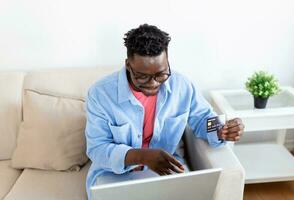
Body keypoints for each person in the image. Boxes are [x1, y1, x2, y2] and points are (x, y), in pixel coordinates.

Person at [85, 24, 244, 199]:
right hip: (114, 175)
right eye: (142, 76)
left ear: (167, 62)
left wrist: (222, 128)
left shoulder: (182, 86)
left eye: (161, 74)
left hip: (167, 171)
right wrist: (142, 156)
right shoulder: (100, 94)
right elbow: (97, 149)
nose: (153, 83)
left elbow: (203, 118)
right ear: (128, 65)